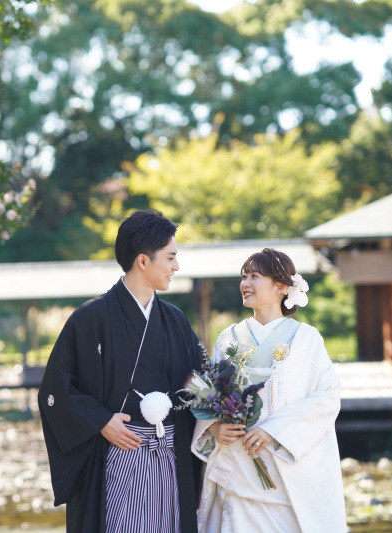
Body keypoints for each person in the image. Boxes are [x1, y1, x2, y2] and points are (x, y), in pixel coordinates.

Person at [38, 210, 204, 533]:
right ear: (143, 261)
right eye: (170, 258)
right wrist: (100, 421)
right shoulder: (90, 318)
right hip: (115, 456)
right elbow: (56, 391)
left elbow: (199, 384)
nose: (176, 267)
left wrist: (224, 414)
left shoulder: (175, 320)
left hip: (169, 459)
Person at [190, 247, 346, 532]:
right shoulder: (228, 337)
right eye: (244, 276)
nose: (245, 283)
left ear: (281, 287)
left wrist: (273, 430)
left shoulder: (306, 338)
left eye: (255, 276)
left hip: (284, 468)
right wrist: (215, 427)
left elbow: (327, 398)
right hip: (238, 463)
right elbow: (210, 393)